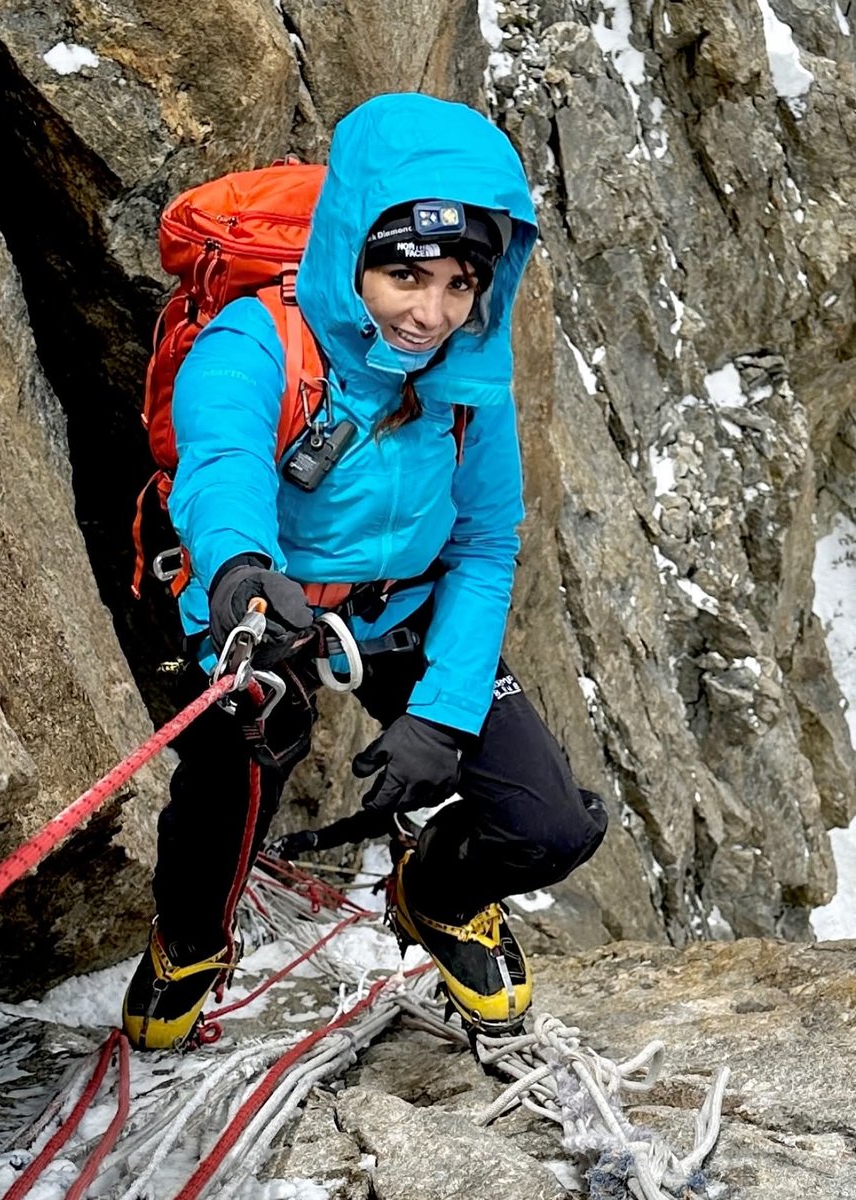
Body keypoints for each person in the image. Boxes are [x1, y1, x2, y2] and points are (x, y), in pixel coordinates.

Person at [122, 92, 608, 1051]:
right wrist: (241, 576)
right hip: (268, 609)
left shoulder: (469, 377)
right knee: (235, 778)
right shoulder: (259, 341)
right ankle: (189, 941)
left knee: (550, 826)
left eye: (461, 284)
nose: (432, 312)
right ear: (352, 249)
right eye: (404, 274)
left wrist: (442, 711)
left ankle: (435, 892)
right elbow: (220, 467)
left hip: (405, 611)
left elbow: (484, 542)